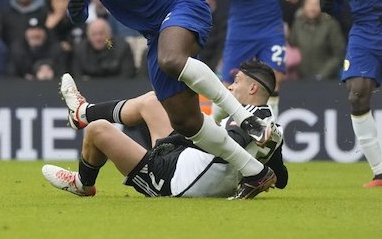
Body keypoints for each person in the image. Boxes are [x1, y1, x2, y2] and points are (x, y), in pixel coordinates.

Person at [65, 0, 281, 199]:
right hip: (154, 34)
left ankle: (247, 119)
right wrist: (76, 9)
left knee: (171, 58)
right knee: (186, 121)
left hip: (182, 6)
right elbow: (78, 9)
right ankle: (255, 172)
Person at [42, 60, 287, 198]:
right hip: (186, 162)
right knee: (152, 101)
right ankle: (82, 112)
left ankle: (83, 183)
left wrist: (178, 140)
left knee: (98, 131)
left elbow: (231, 140)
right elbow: (281, 177)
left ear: (253, 89)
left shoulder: (252, 120)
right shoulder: (272, 127)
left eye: (236, 82)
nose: (230, 88)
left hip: (175, 181)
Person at [320, 0, 382, 188]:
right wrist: (331, 8)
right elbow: (340, 4)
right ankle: (380, 172)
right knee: (357, 94)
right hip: (364, 31)